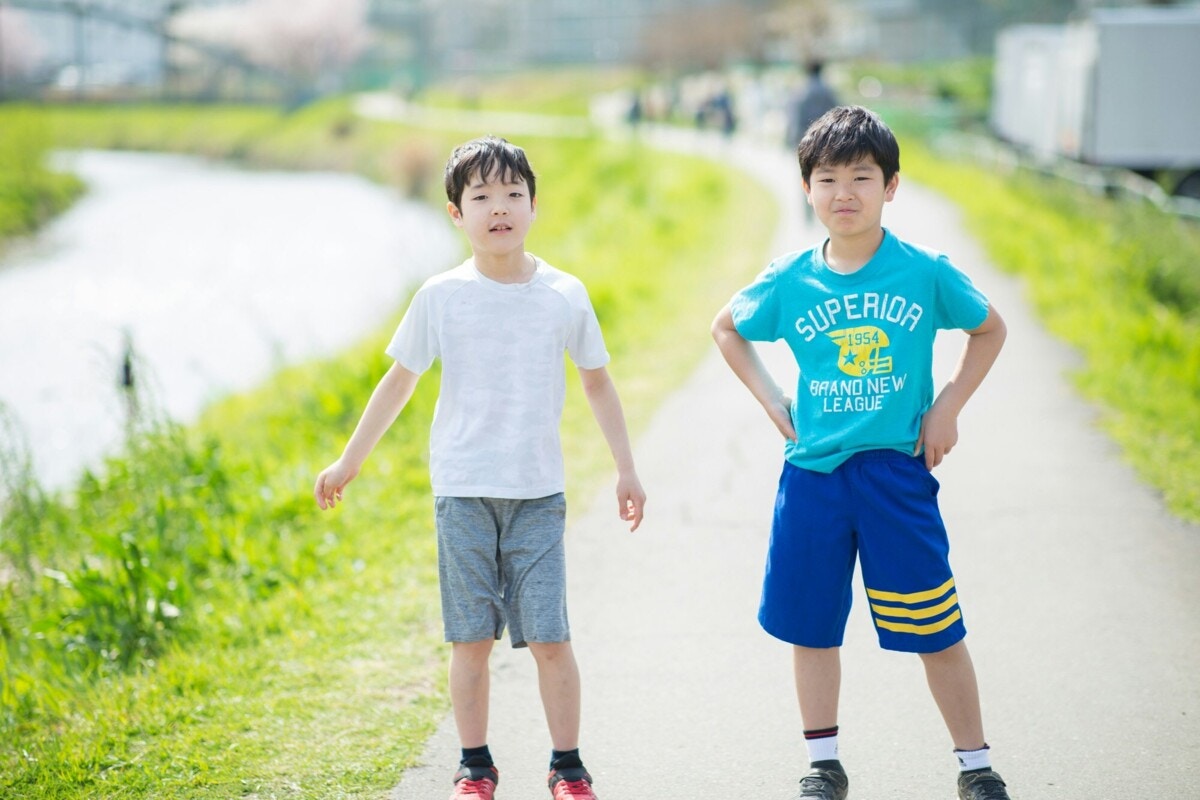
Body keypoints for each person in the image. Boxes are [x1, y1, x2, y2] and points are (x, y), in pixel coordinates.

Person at [314, 135, 646, 800]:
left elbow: (598, 384)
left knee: (551, 636)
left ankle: (568, 765)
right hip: (463, 492)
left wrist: (626, 469)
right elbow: (399, 382)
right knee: (470, 641)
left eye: (513, 194)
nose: (500, 208)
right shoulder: (440, 296)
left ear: (533, 206)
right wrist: (350, 461)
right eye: (482, 196)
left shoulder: (563, 294)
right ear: (455, 214)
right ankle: (474, 765)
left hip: (537, 494)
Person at [711, 106, 1011, 800]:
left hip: (894, 475)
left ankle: (976, 765)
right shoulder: (791, 279)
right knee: (811, 624)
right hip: (813, 476)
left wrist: (947, 407)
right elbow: (727, 328)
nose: (844, 192)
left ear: (892, 186)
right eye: (826, 179)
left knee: (934, 625)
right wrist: (769, 398)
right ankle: (824, 764)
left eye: (862, 177)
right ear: (807, 189)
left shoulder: (922, 272)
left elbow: (989, 329)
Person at [785, 62, 838, 224]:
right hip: (827, 141)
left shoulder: (800, 91)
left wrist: (790, 139)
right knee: (830, 177)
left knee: (808, 176)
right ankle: (829, 213)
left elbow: (793, 117)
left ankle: (808, 213)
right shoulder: (828, 91)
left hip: (805, 140)